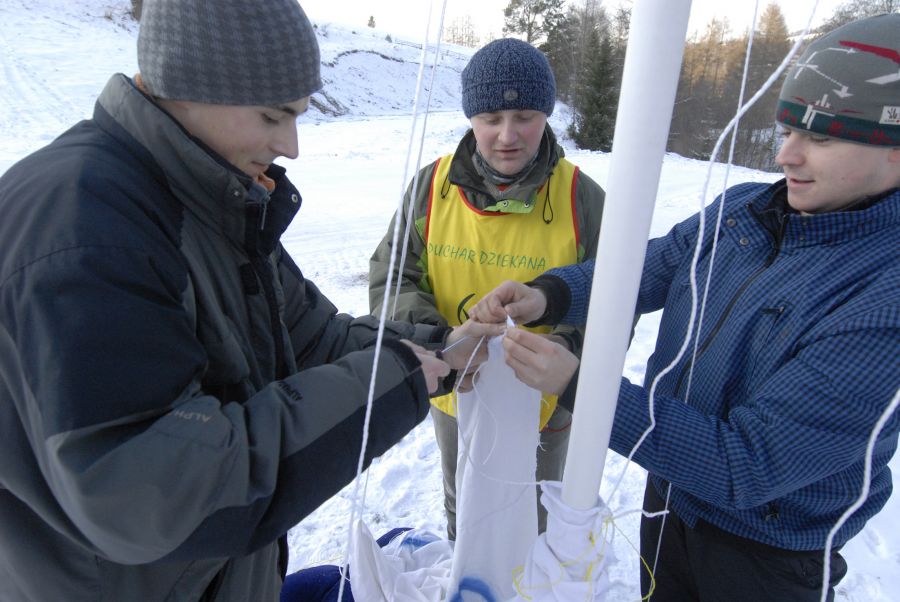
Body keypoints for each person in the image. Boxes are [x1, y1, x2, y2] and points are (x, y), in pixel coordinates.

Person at [0, 1, 502, 600]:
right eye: (272, 116)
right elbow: (152, 489)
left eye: (297, 116)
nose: (291, 145)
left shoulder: (209, 197)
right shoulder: (86, 224)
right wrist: (393, 379)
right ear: (187, 84)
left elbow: (312, 336)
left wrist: (442, 349)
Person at [471, 13, 900, 602]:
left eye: (821, 139)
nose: (787, 156)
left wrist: (582, 387)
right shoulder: (745, 209)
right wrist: (549, 294)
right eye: (787, 130)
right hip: (670, 496)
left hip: (764, 557)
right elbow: (653, 265)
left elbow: (748, 465)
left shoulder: (885, 300)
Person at [368, 38, 605, 539]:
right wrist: (442, 342)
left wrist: (564, 350)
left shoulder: (582, 197)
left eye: (525, 116)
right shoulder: (431, 187)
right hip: (458, 390)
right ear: (470, 116)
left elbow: (612, 300)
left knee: (535, 516)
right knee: (466, 505)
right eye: (491, 117)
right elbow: (393, 277)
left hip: (544, 403)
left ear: (546, 114)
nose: (507, 135)